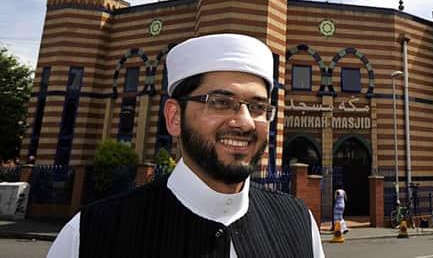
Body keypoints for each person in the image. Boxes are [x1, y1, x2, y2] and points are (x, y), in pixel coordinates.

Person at [47, 33, 325, 258]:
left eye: (257, 106)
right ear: (174, 117)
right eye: (220, 102)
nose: (245, 122)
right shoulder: (89, 235)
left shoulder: (298, 224)